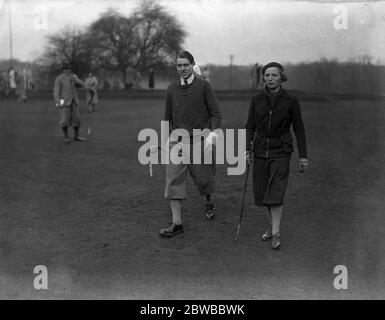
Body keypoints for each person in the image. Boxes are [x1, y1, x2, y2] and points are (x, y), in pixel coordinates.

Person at [245, 62, 308, 250]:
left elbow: (299, 129)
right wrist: (247, 149)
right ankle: (272, 226)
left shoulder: (291, 101)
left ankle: (276, 233)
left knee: (276, 191)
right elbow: (250, 126)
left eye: (274, 75)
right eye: (267, 75)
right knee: (264, 193)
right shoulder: (256, 100)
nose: (270, 78)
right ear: (263, 78)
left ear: (282, 77)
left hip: (281, 151)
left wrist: (303, 156)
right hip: (260, 150)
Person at [159, 50, 222, 237]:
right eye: (179, 65)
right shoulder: (171, 89)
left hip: (200, 140)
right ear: (176, 67)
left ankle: (208, 200)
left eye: (186, 65)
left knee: (204, 179)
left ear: (193, 65)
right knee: (173, 182)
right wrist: (164, 142)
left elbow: (216, 113)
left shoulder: (204, 86)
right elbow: (166, 118)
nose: (182, 68)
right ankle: (177, 224)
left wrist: (212, 134)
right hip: (177, 142)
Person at [53, 62, 87, 143]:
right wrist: (58, 102)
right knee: (64, 120)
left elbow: (83, 85)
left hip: (74, 101)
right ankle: (66, 137)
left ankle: (76, 136)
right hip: (64, 102)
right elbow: (56, 92)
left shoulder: (74, 77)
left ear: (70, 70)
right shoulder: (59, 78)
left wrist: (77, 80)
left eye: (68, 69)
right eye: (65, 69)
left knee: (77, 120)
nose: (67, 71)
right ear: (63, 70)